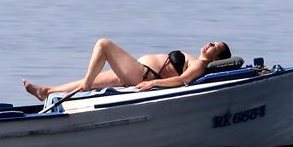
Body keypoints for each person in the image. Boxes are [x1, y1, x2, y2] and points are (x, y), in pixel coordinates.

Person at [23, 39, 232, 101]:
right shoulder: (196, 60)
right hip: (138, 73)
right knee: (91, 80)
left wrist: (153, 82)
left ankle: (83, 85)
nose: (209, 44)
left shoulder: (199, 65)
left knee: (104, 45)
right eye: (212, 42)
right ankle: (47, 92)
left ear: (216, 57)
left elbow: (182, 80)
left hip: (143, 75)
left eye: (214, 46)